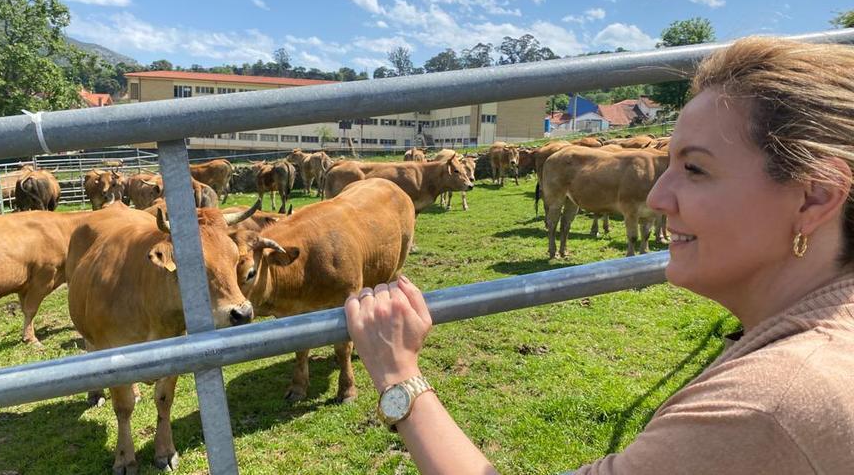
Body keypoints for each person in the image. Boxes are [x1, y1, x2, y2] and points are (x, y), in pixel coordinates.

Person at [345, 36, 854, 474]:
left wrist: (397, 375)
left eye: (695, 170)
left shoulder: (771, 406)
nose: (656, 197)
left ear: (814, 196)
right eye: (669, 163)